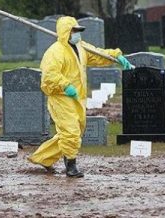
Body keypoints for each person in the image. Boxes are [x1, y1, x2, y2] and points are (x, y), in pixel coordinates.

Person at [27, 16, 134, 177]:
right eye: (75, 31)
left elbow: (98, 55)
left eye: (78, 31)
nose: (78, 34)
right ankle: (71, 165)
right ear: (66, 32)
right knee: (70, 132)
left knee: (73, 132)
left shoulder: (80, 47)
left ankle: (43, 158)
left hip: (77, 98)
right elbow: (49, 76)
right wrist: (65, 85)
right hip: (61, 97)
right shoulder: (55, 52)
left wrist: (116, 56)